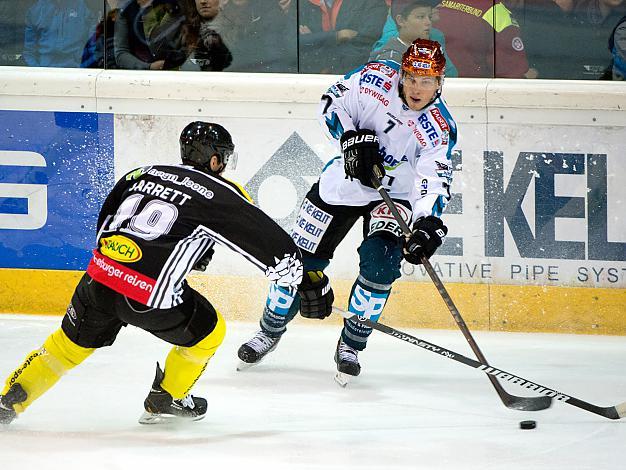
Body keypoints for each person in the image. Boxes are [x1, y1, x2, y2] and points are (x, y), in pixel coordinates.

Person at [0, 121, 324, 425]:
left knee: (65, 348)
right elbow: (269, 243)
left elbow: (107, 220)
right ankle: (168, 396)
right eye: (223, 157)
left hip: (98, 279)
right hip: (148, 298)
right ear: (214, 160)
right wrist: (304, 282)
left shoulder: (141, 173)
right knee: (210, 332)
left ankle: (9, 401)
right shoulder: (220, 192)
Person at [238, 39, 457, 385]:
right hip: (342, 183)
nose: (417, 88)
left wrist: (427, 220)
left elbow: (434, 176)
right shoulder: (373, 80)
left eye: (427, 80)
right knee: (296, 263)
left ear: (440, 82)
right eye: (412, 77)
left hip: (393, 197)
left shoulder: (439, 128)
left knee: (381, 263)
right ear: (402, 72)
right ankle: (269, 330)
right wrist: (350, 137)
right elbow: (331, 102)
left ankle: (351, 345)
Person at [434, 0, 536, 78]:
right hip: (471, 96)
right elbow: (510, 75)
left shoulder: (429, 5)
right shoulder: (496, 12)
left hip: (428, 90)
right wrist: (526, 76)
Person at [369, 0, 458, 77]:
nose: (428, 22)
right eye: (420, 17)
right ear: (401, 21)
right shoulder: (389, 60)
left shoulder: (433, 49)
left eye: (430, 17)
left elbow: (451, 76)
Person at [298, 0, 389, 74]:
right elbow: (292, 43)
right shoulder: (303, 3)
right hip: (307, 75)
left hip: (351, 75)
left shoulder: (370, 3)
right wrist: (338, 35)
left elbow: (367, 40)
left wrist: (316, 39)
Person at [23, 0, 99, 67]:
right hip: (44, 71)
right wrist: (39, 73)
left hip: (76, 72)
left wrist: (82, 70)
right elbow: (29, 52)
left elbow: (94, 48)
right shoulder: (36, 10)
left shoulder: (85, 8)